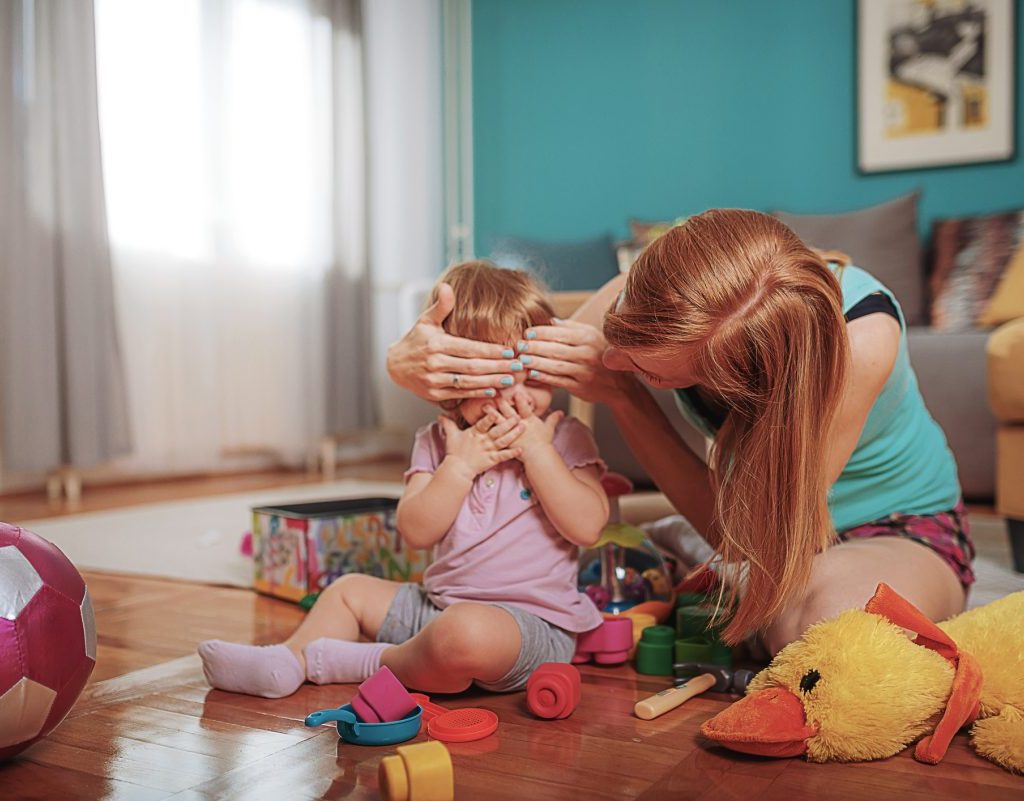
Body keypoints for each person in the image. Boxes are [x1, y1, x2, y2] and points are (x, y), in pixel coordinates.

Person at [386, 209, 973, 653]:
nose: (610, 358)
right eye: (620, 333)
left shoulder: (858, 347)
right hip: (747, 522)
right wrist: (404, 363)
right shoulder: (664, 288)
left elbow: (747, 537)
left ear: (740, 375)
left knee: (827, 631)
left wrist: (625, 399)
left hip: (886, 528)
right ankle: (683, 553)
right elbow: (509, 364)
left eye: (647, 370)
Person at [199, 261, 607, 698]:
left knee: (463, 633)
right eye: (495, 378)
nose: (517, 396)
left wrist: (539, 453)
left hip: (528, 628)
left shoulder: (563, 437)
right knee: (348, 590)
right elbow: (415, 530)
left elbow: (587, 526)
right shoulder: (438, 441)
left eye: (533, 377)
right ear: (453, 379)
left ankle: (367, 662)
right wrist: (460, 467)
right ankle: (289, 660)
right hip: (434, 608)